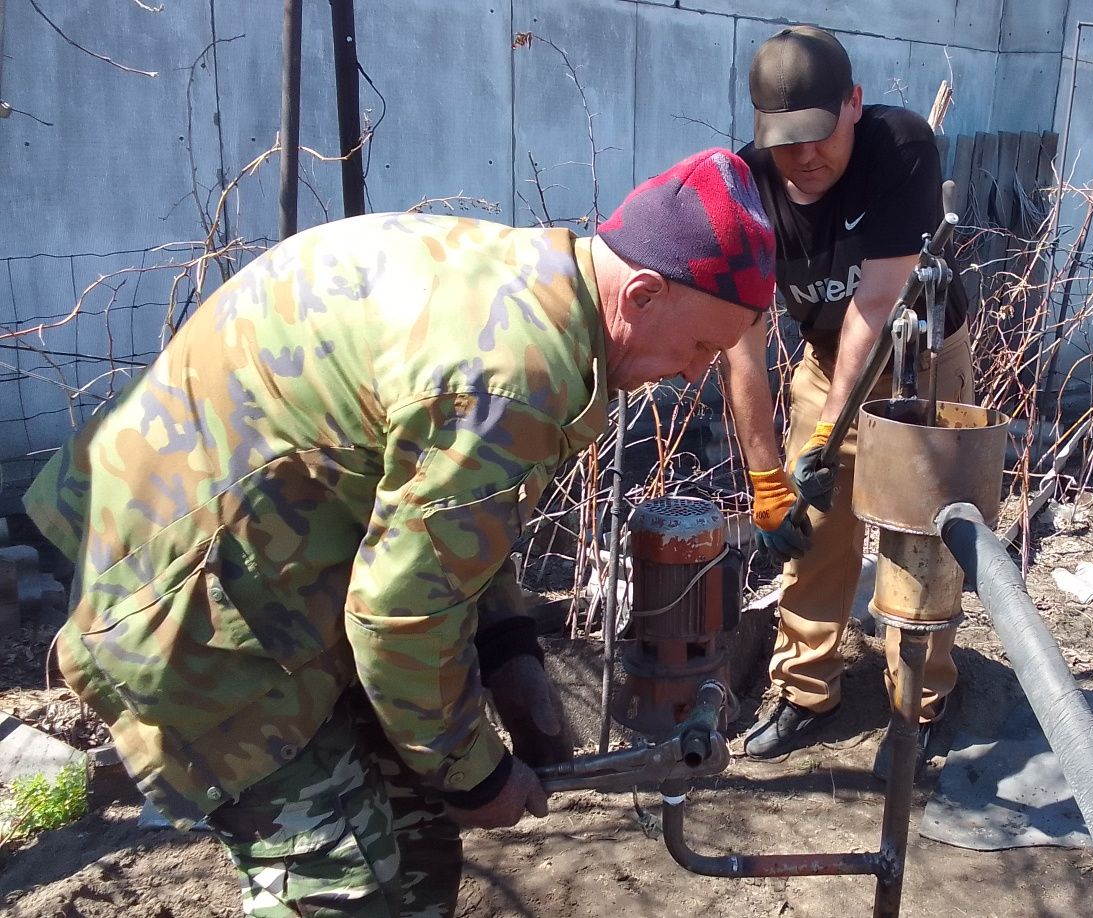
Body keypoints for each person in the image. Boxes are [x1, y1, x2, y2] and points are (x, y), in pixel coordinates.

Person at [25, 148, 775, 917]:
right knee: (345, 887)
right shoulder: (512, 377)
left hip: (262, 555)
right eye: (701, 350)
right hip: (189, 607)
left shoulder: (537, 286)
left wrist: (510, 652)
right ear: (644, 293)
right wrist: (478, 776)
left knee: (416, 844)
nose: (694, 377)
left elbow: (452, 528)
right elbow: (400, 620)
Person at [722, 26, 975, 776]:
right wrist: (770, 483)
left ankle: (919, 701)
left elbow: (877, 302)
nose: (805, 156)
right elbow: (739, 340)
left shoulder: (900, 147)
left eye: (820, 134)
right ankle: (806, 690)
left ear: (854, 104)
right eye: (785, 139)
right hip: (825, 357)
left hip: (919, 360)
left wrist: (829, 434)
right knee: (812, 525)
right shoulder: (747, 181)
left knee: (924, 531)